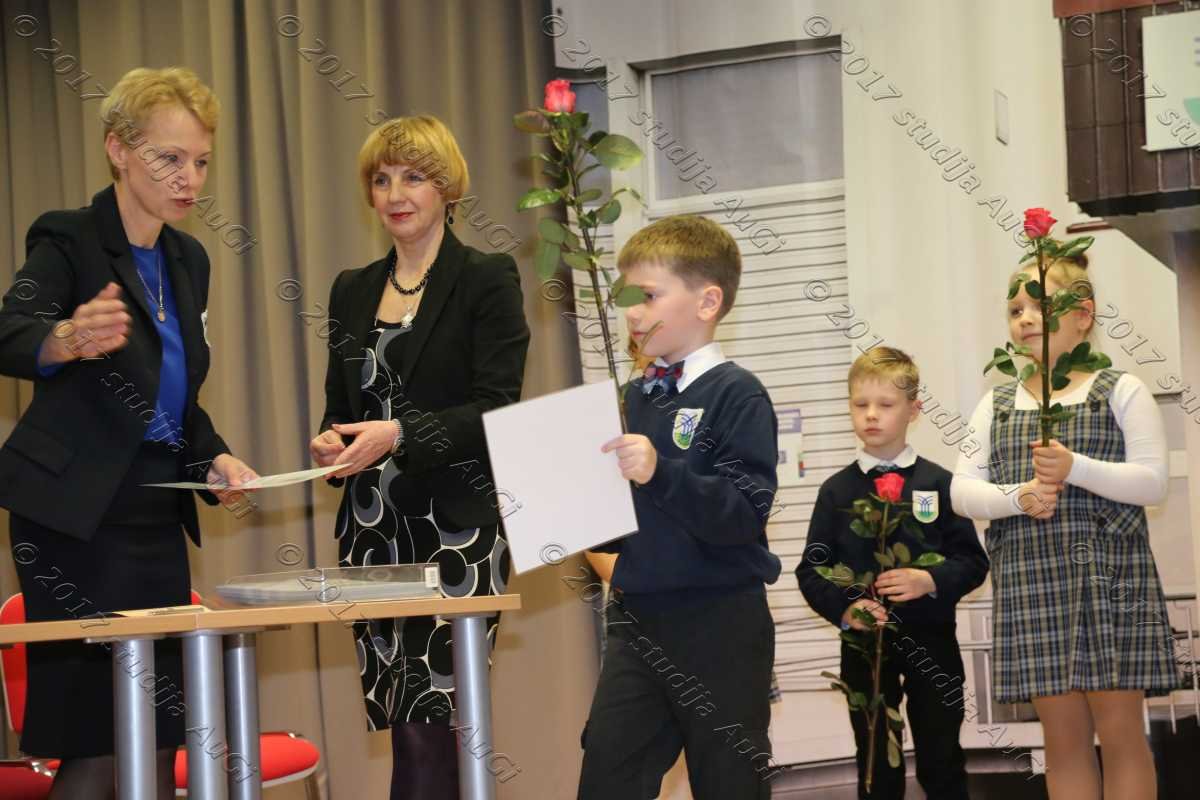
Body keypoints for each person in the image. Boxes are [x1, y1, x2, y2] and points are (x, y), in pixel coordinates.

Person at [0, 66, 258, 799]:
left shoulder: (188, 259)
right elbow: (10, 330)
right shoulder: (69, 238)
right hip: (73, 520)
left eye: (201, 161)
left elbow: (173, 395)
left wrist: (214, 456)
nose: (189, 179)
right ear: (118, 149)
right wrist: (65, 338)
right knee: (100, 744)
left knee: (158, 738)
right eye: (168, 158)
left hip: (152, 513)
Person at [308, 115, 529, 800]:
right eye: (382, 180)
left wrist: (399, 434)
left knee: (431, 727)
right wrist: (331, 442)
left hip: (457, 530)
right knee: (409, 726)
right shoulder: (350, 288)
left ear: (447, 188)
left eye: (413, 177)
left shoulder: (486, 277)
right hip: (372, 531)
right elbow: (340, 406)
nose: (396, 194)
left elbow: (497, 407)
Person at [950, 254, 1183, 798]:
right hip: (1031, 582)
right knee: (1062, 740)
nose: (1025, 318)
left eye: (1040, 306)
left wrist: (1075, 467)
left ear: (1083, 315)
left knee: (1121, 733)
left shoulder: (1121, 389)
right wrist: (1019, 496)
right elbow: (961, 491)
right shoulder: (995, 405)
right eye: (1015, 310)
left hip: (1111, 582)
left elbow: (1152, 482)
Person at [578, 215, 781, 800]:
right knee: (608, 775)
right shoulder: (635, 395)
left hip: (719, 621)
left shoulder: (737, 393)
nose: (632, 313)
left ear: (707, 302)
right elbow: (621, 517)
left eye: (647, 296)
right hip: (637, 621)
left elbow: (743, 514)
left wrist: (660, 471)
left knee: (728, 781)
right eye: (626, 299)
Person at [797, 347, 988, 799]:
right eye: (860, 404)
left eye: (885, 404)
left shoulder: (939, 483)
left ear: (913, 410)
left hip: (933, 643)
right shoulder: (836, 491)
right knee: (875, 761)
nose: (871, 415)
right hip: (865, 649)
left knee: (942, 758)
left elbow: (973, 562)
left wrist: (930, 580)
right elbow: (813, 569)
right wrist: (846, 609)